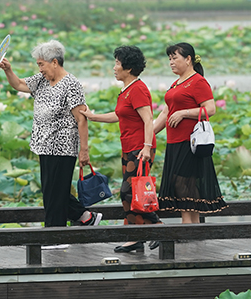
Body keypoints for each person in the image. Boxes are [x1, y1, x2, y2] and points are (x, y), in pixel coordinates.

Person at [0, 40, 102, 241]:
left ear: (54, 62)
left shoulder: (71, 84)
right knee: (52, 189)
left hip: (63, 145)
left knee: (54, 193)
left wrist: (84, 150)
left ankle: (54, 237)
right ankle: (85, 216)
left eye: (41, 64)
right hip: (43, 144)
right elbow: (19, 84)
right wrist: (8, 70)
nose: (40, 69)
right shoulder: (42, 80)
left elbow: (81, 119)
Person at [82, 45, 161, 253]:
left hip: (140, 148)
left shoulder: (138, 89)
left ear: (128, 67)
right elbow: (119, 115)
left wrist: (146, 147)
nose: (114, 67)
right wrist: (93, 116)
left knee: (128, 192)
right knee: (130, 194)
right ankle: (135, 237)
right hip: (129, 147)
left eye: (117, 63)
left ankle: (157, 228)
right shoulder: (126, 90)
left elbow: (148, 119)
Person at [153, 42, 227, 232]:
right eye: (169, 58)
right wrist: (148, 136)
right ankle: (193, 229)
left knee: (183, 184)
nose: (171, 62)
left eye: (174, 58)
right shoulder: (176, 84)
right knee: (185, 186)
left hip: (190, 143)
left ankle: (187, 227)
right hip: (174, 142)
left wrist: (185, 112)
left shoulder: (198, 81)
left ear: (188, 59)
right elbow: (165, 114)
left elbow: (211, 109)